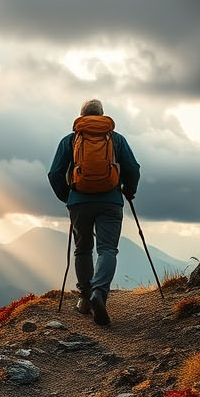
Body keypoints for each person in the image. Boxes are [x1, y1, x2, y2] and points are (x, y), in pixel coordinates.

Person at [47, 99, 140, 326]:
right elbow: (133, 169)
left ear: (82, 116)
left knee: (83, 249)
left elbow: (54, 173)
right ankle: (100, 293)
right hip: (111, 201)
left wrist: (68, 196)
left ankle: (85, 299)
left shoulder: (71, 140)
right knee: (107, 249)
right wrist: (129, 191)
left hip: (79, 202)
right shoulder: (116, 140)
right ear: (102, 115)